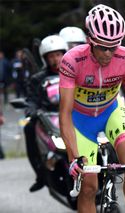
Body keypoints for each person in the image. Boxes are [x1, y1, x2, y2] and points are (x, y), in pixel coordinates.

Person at [59, 4, 125, 213]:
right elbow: (65, 114)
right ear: (90, 40)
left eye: (114, 47)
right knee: (88, 186)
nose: (108, 53)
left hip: (111, 112)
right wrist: (73, 157)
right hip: (80, 120)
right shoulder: (72, 60)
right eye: (102, 47)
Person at [25, 35, 68, 192]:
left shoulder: (74, 72)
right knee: (29, 128)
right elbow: (32, 99)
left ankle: (109, 163)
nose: (55, 59)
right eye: (51, 56)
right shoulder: (38, 78)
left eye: (58, 54)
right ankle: (40, 175)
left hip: (74, 116)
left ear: (65, 53)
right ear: (45, 58)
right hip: (48, 119)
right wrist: (32, 110)